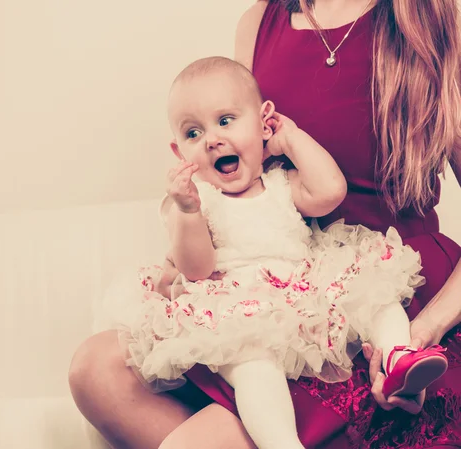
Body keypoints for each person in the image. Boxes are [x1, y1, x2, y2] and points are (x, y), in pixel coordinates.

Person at [69, 1, 461, 448]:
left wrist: (426, 329)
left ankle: (392, 365)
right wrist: (189, 235)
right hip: (276, 288)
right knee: (95, 369)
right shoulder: (260, 22)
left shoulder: (428, 22)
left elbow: (325, 187)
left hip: (394, 287)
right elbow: (236, 149)